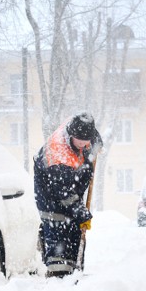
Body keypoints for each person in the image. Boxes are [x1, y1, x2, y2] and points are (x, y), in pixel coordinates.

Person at [33, 112, 103, 277]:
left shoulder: (80, 128)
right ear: (71, 134)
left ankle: (73, 270)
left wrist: (93, 150)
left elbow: (96, 141)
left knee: (74, 230)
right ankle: (58, 275)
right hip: (50, 196)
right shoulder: (59, 155)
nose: (83, 145)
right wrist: (82, 213)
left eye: (86, 142)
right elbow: (64, 194)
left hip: (69, 190)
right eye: (79, 141)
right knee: (59, 235)